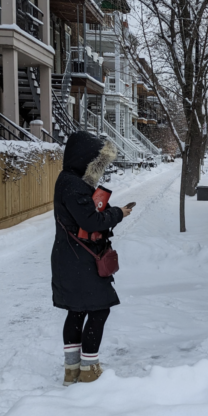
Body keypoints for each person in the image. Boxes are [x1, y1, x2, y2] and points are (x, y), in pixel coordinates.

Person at [51, 131, 132, 385]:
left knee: (76, 311)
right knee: (99, 309)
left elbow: (83, 218)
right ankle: (88, 369)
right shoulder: (74, 184)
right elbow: (90, 221)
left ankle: (72, 369)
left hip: (70, 257)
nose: (99, 169)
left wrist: (103, 207)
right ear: (85, 159)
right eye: (97, 163)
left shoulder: (69, 181)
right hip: (80, 261)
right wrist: (118, 213)